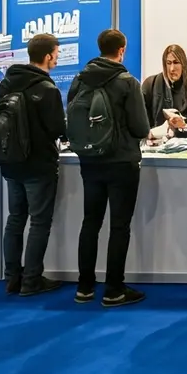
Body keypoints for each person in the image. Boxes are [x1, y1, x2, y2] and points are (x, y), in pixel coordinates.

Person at [68, 29, 151, 307]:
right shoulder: (127, 82)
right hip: (122, 163)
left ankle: (85, 287)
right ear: (122, 50)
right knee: (119, 226)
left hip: (89, 161)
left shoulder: (80, 79)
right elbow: (141, 127)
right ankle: (114, 289)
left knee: (90, 223)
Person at [0, 34, 65, 296]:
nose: (57, 57)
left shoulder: (7, 82)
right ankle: (32, 280)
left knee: (15, 219)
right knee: (39, 222)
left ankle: (12, 277)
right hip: (38, 165)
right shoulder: (47, 89)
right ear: (48, 56)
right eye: (56, 53)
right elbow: (57, 128)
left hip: (11, 163)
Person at [140, 44, 187, 136]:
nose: (172, 69)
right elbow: (141, 121)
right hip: (156, 139)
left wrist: (183, 125)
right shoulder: (150, 84)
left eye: (176, 62)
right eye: (168, 63)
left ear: (183, 64)